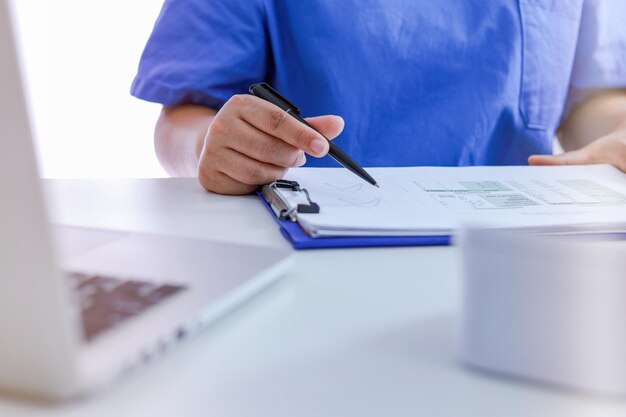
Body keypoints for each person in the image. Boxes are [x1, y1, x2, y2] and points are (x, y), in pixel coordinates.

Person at [131, 0, 626, 195]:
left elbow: (589, 98)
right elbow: (185, 114)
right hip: (308, 261)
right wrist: (208, 149)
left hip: (521, 261)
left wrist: (617, 135)